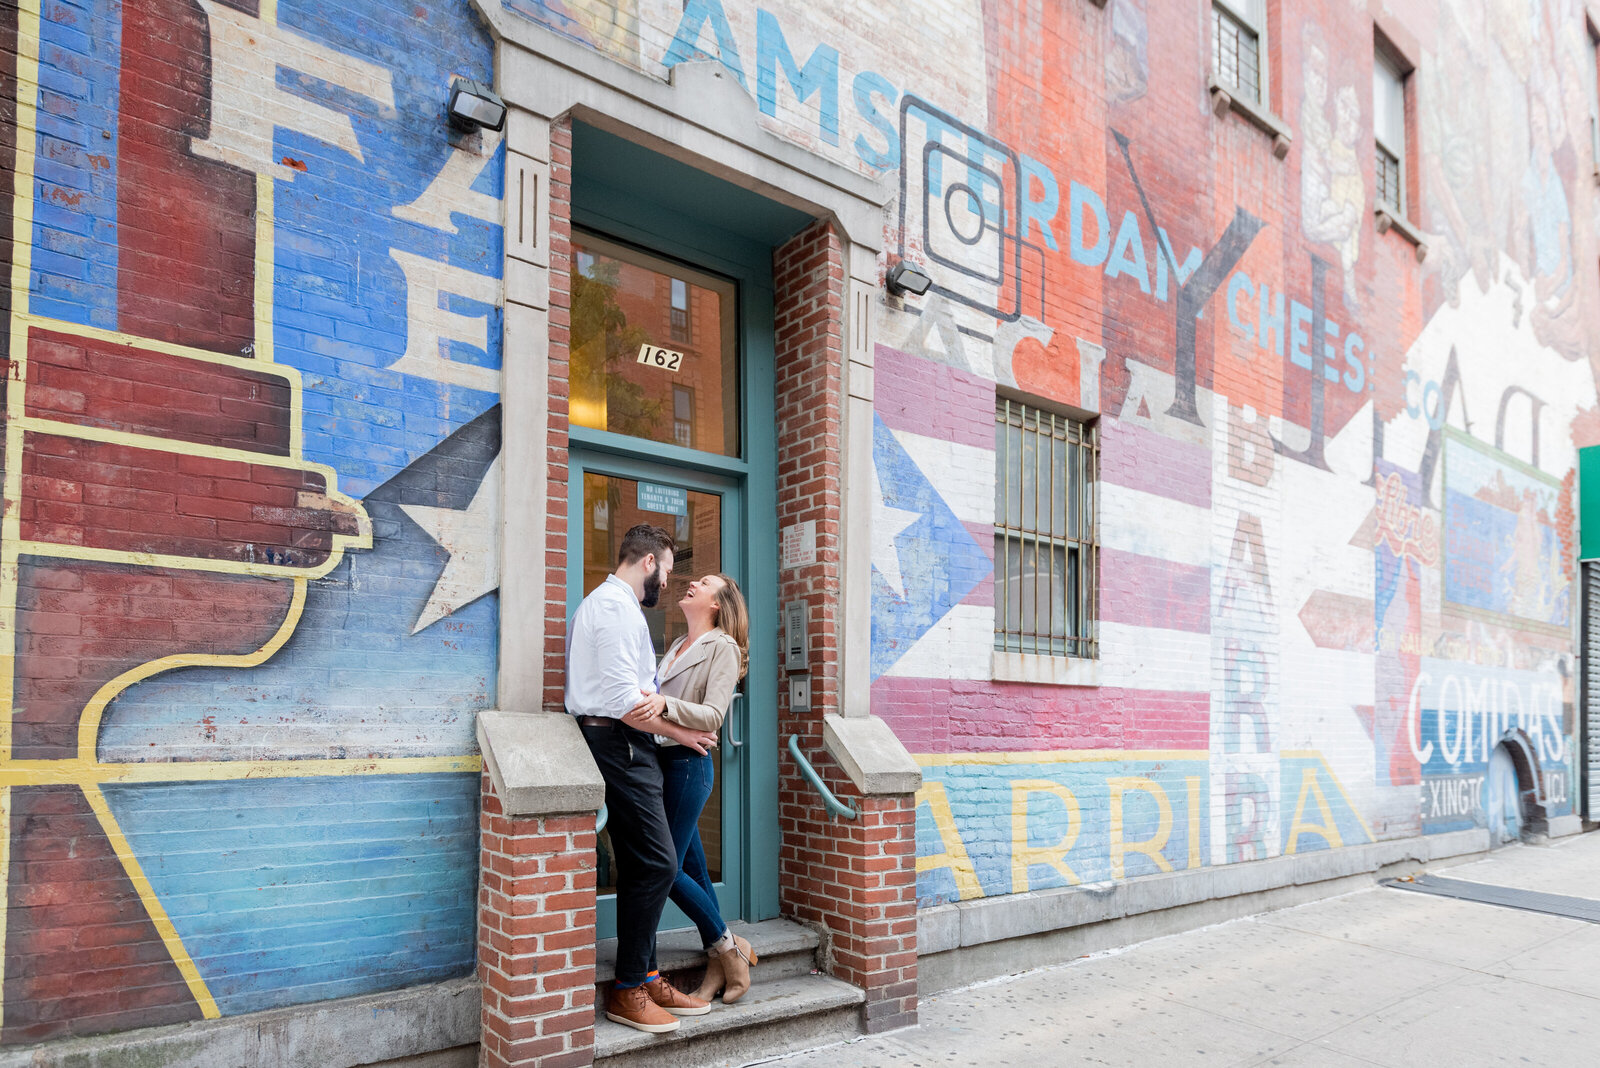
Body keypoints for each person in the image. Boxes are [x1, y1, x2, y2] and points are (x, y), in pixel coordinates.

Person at [566, 524, 718, 1034]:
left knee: (641, 864)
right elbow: (621, 702)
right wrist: (683, 733)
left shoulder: (624, 608)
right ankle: (628, 987)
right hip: (617, 742)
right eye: (669, 570)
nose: (669, 583)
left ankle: (647, 974)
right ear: (649, 562)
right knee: (657, 863)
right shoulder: (610, 608)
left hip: (632, 744)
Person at [627, 574, 760, 1003]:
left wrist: (665, 704)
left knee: (661, 867)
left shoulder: (722, 647)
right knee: (694, 869)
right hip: (662, 763)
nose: (690, 583)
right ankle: (719, 962)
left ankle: (729, 949)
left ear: (718, 603)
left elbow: (713, 715)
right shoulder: (680, 646)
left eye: (703, 583)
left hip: (687, 767)